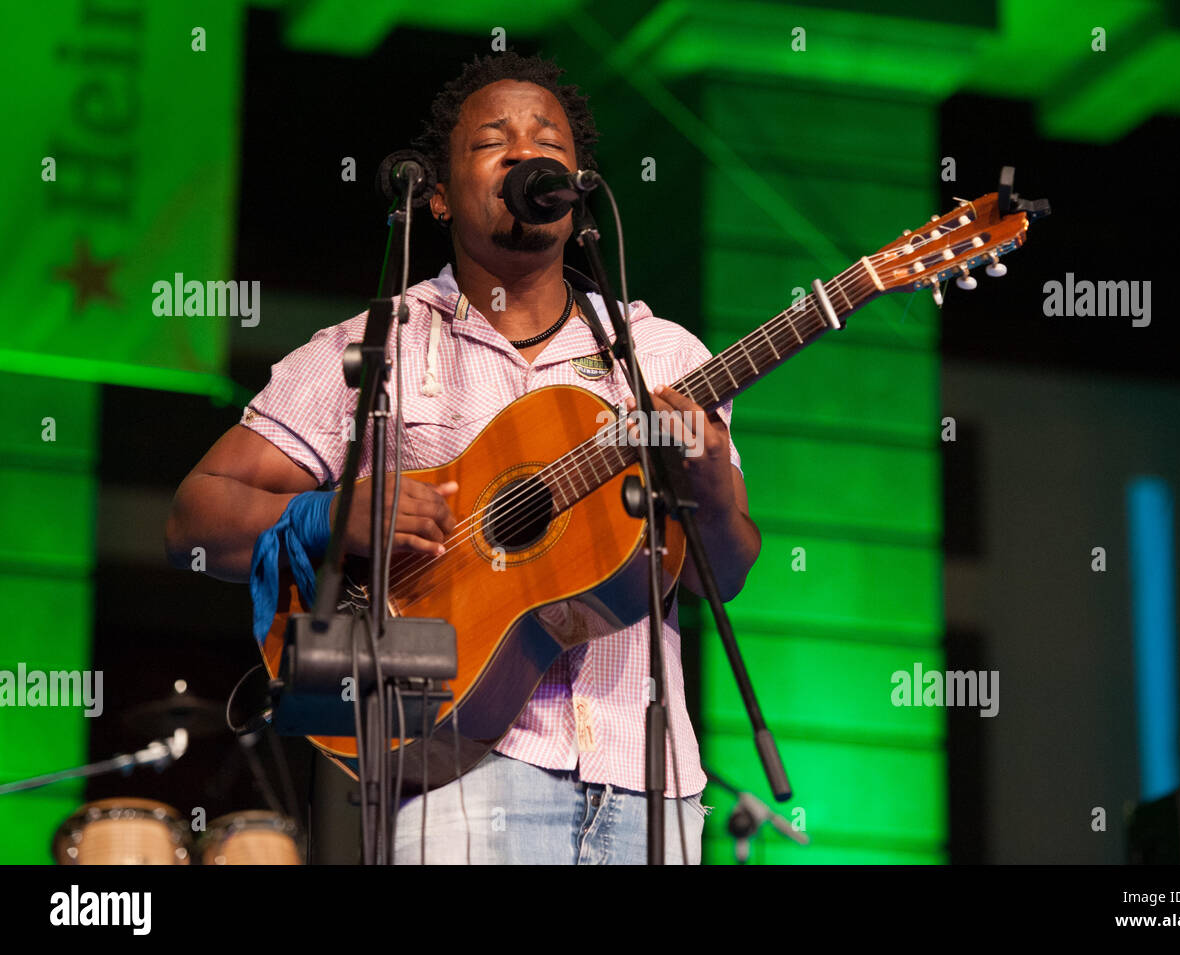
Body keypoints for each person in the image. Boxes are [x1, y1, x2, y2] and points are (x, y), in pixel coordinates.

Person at [165, 51, 761, 864]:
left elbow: (718, 576)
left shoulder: (660, 356)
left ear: (579, 183)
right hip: (461, 778)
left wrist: (707, 479)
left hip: (652, 787)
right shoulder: (377, 346)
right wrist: (335, 517)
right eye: (494, 139)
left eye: (546, 138)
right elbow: (195, 517)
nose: (525, 151)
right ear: (439, 194)